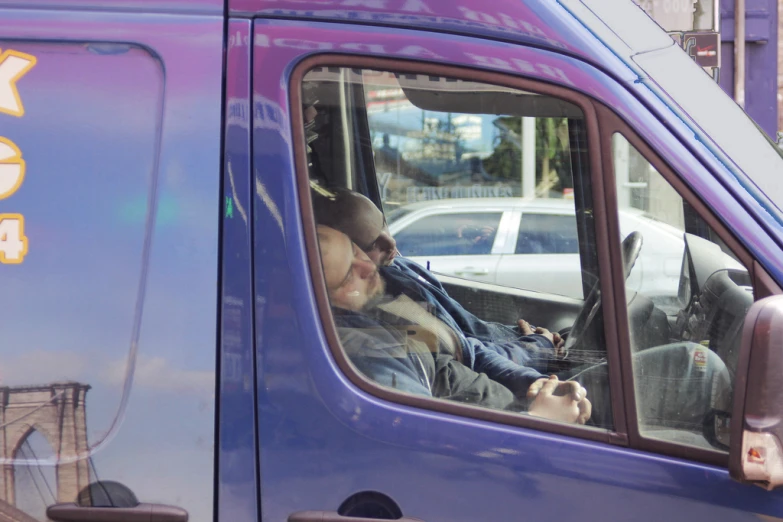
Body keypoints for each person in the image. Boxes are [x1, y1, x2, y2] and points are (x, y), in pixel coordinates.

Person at [317, 224, 592, 424]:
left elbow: (467, 350)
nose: (368, 266)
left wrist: (533, 382)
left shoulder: (380, 311)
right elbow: (423, 444)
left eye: (355, 251)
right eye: (346, 277)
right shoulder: (361, 356)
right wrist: (538, 420)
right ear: (318, 302)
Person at [311, 187, 566, 363]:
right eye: (371, 244)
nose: (390, 243)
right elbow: (464, 354)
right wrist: (536, 348)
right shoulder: (390, 301)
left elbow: (468, 331)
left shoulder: (402, 267)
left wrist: (525, 337)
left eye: (383, 224)